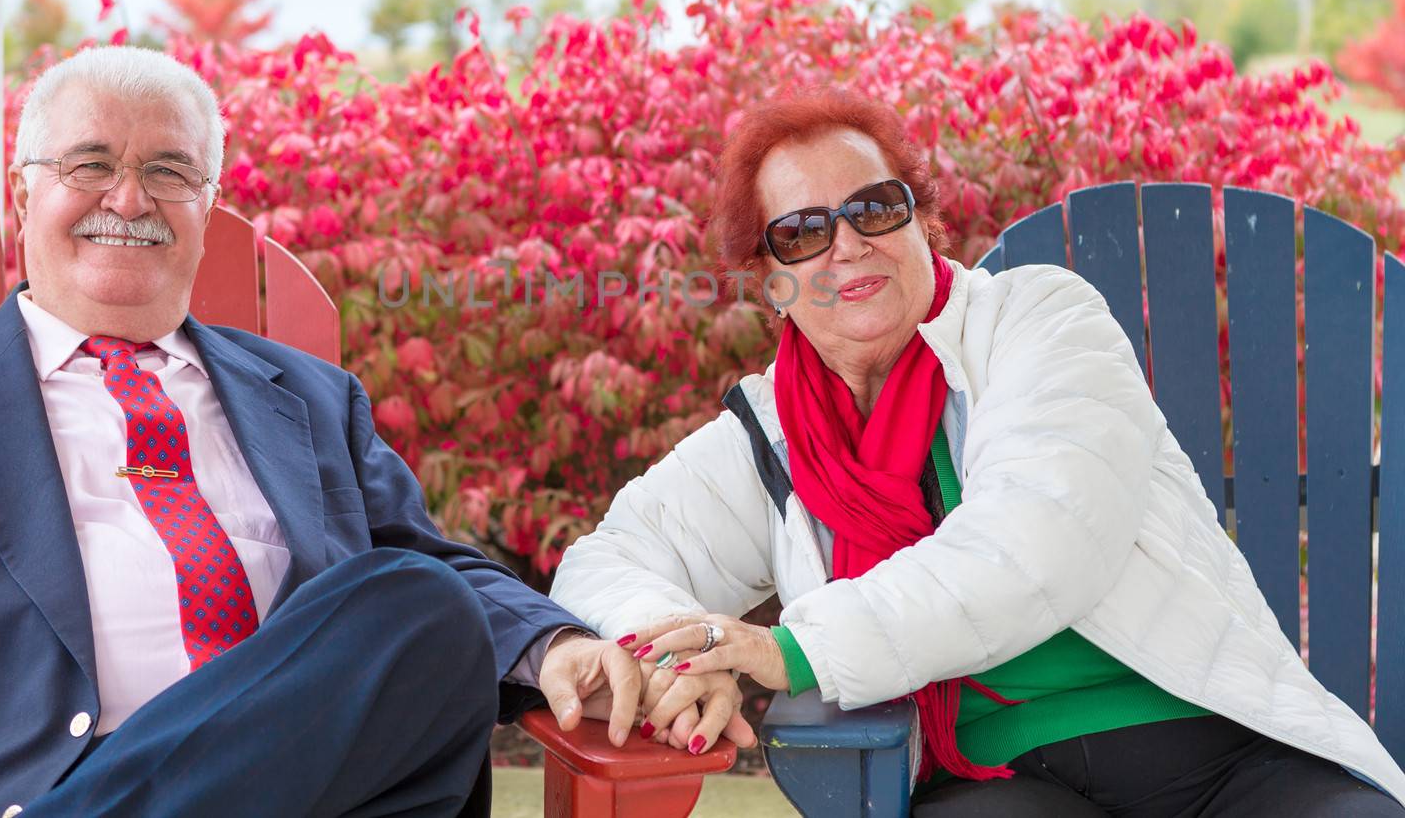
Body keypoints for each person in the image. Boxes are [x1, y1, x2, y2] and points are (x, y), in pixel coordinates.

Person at [0, 46, 645, 818]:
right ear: (25, 192)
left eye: (168, 171)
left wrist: (553, 644)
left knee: (425, 604)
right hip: (26, 787)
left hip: (307, 788)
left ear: (208, 204)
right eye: (90, 163)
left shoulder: (315, 402)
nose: (128, 198)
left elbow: (432, 573)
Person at [548, 87, 1405, 815]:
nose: (847, 245)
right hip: (995, 777)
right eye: (803, 232)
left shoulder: (1039, 320)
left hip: (1208, 745)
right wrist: (681, 656)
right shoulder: (773, 433)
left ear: (922, 219)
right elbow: (610, 558)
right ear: (771, 279)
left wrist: (785, 649)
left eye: (874, 208)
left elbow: (1036, 540)